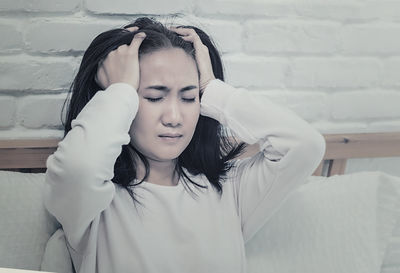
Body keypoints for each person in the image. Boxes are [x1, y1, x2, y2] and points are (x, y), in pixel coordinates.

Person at [43, 17, 326, 273]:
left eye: (190, 98)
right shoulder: (92, 202)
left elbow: (305, 145)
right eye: (154, 97)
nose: (175, 118)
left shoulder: (229, 191)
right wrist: (120, 91)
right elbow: (78, 168)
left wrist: (214, 88)